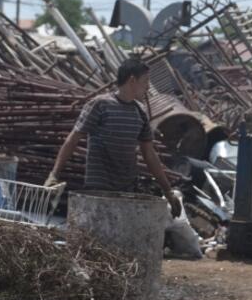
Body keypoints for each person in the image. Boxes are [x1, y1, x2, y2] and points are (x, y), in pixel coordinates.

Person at [46, 57, 181, 217]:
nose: (147, 88)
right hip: (99, 190)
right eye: (145, 82)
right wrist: (54, 175)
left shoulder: (140, 111)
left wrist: (168, 191)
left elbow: (149, 154)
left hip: (127, 190)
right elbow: (73, 140)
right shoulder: (100, 105)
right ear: (132, 80)